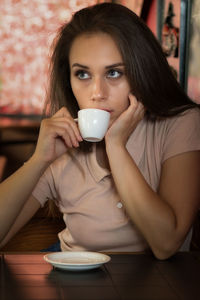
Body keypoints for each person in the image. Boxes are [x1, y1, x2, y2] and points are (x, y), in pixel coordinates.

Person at [0, 3, 200, 260]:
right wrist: (40, 159)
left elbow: (167, 243)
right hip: (73, 281)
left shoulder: (182, 123)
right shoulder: (63, 144)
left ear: (142, 71)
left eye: (114, 72)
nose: (97, 93)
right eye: (82, 74)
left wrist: (115, 146)